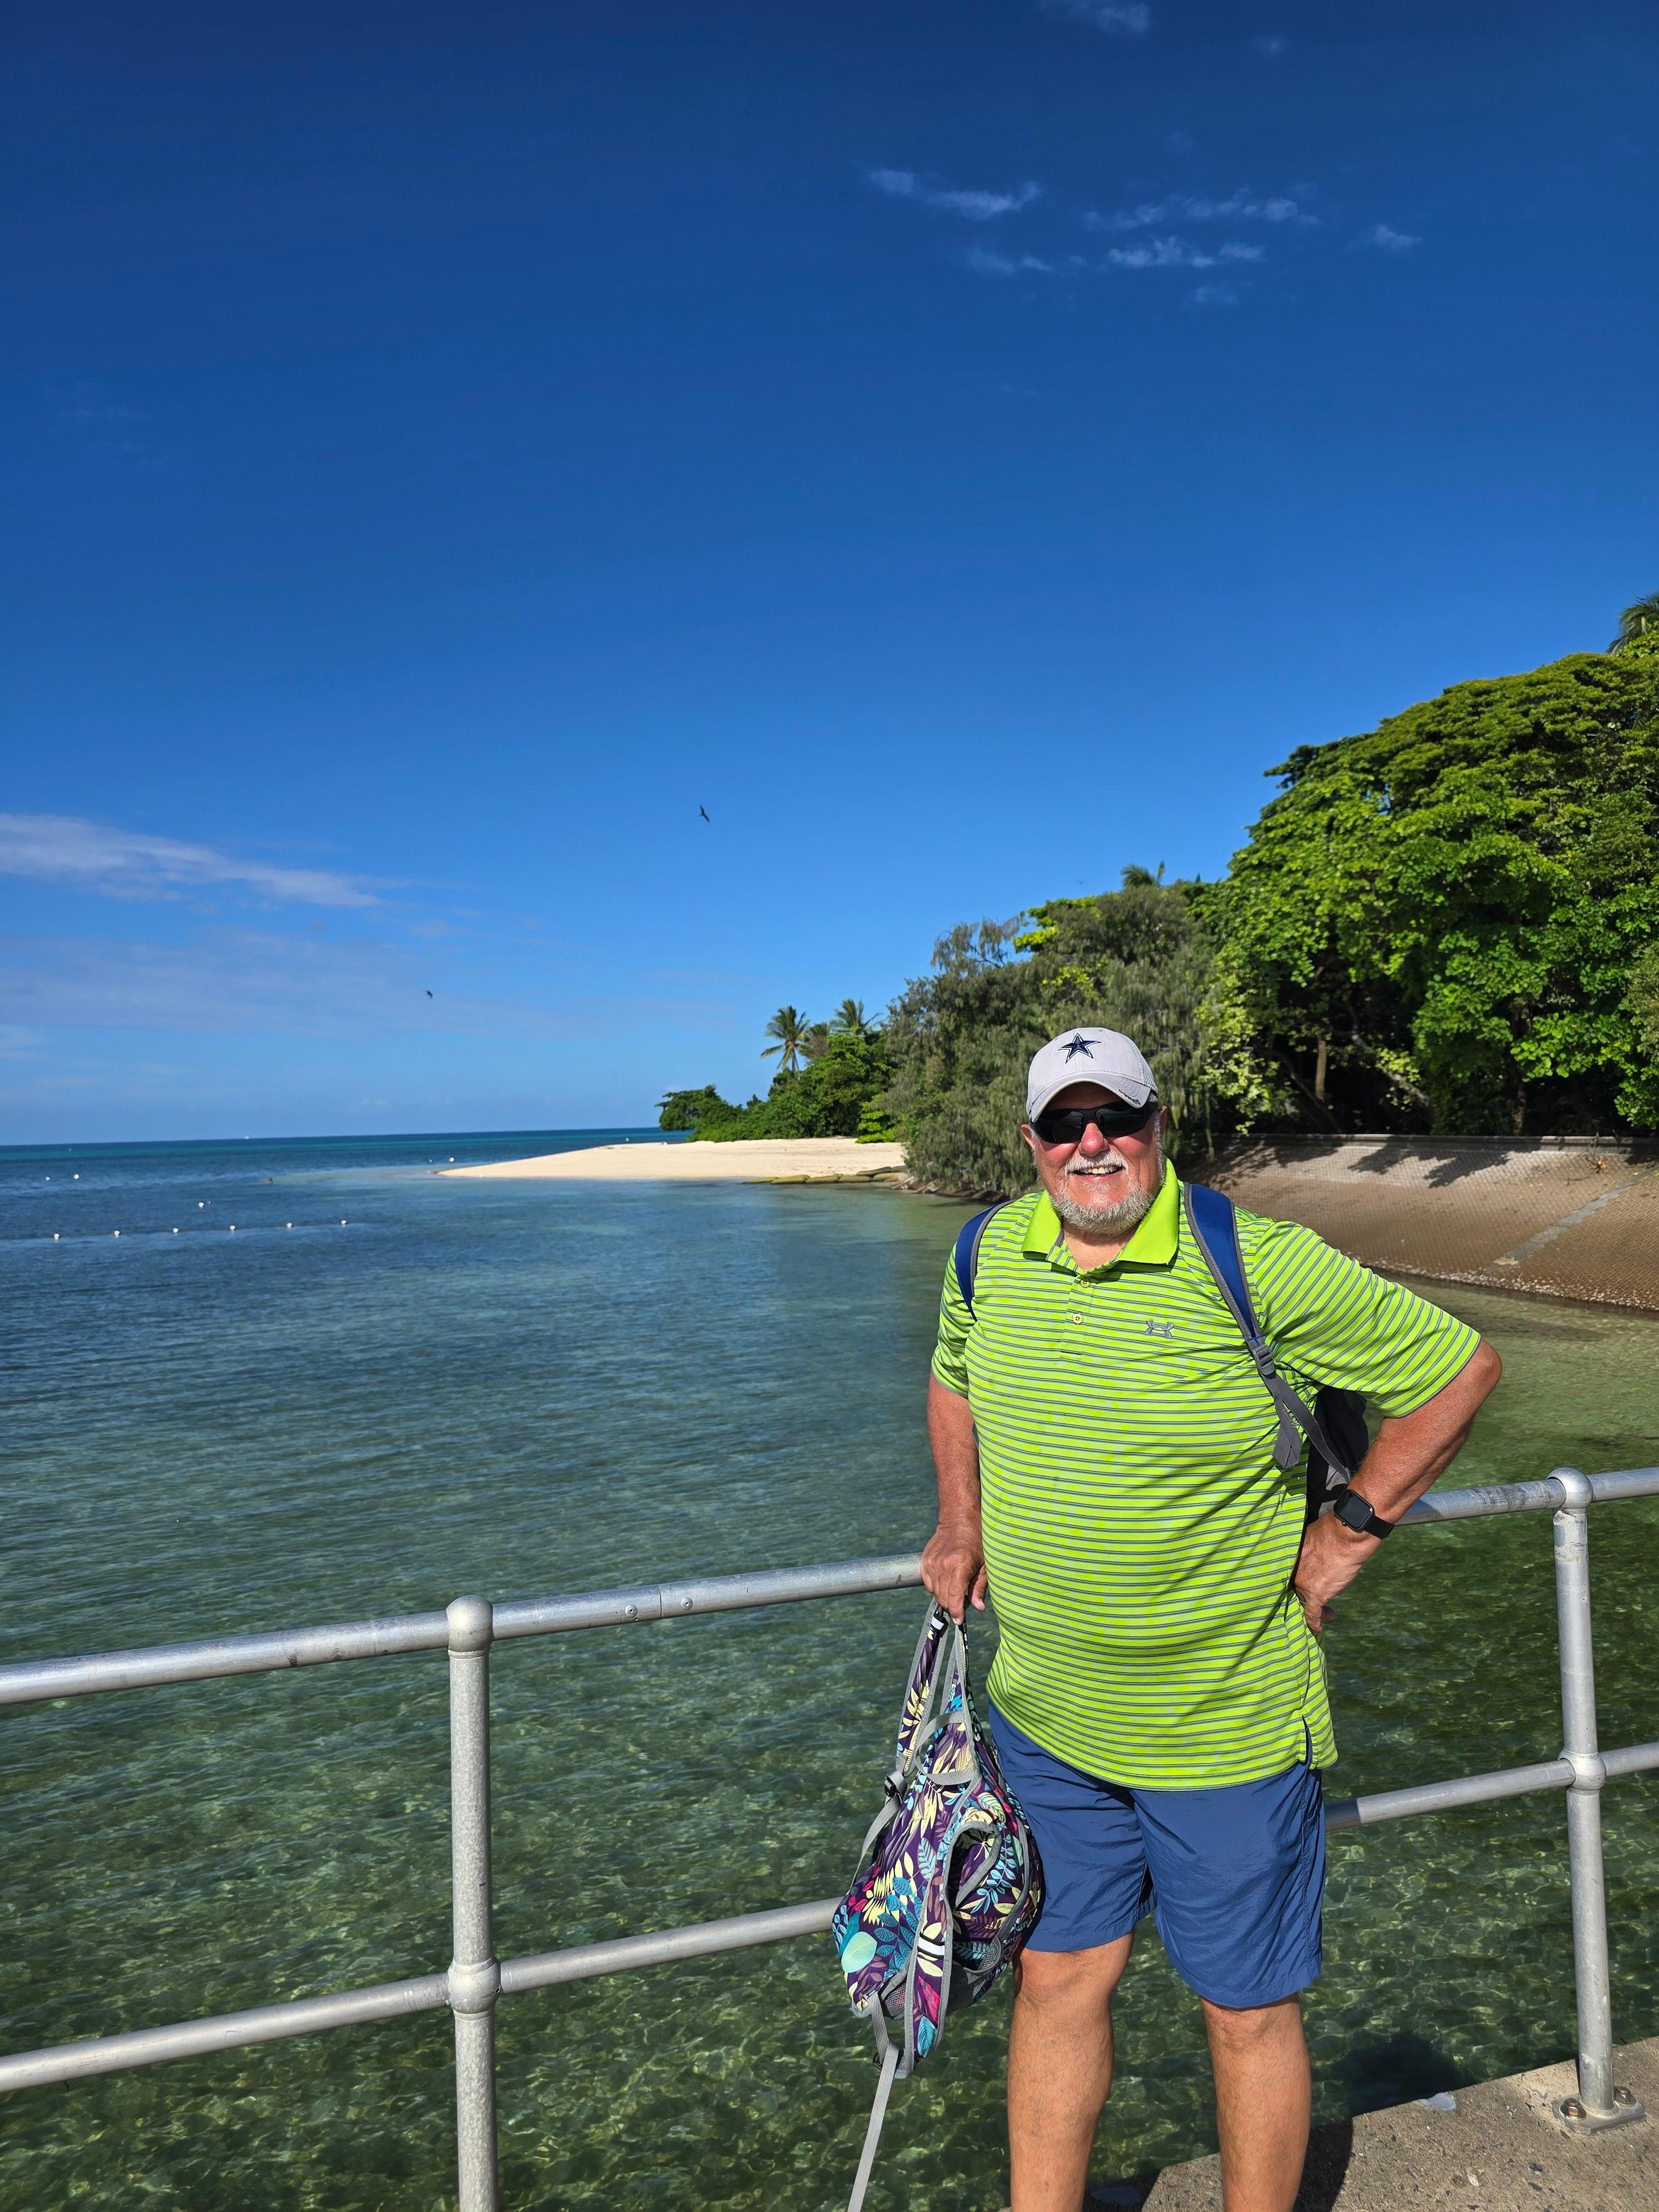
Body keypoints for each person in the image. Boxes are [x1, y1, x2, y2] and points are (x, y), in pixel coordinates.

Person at [922, 1026, 1501, 2212]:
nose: (1093, 1144)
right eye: (1065, 1123)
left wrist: (1351, 1530)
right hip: (1045, 1718)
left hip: (1224, 1723)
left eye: (1117, 1117)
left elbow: (1456, 1370)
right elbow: (953, 1376)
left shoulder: (1257, 1261)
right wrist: (958, 1519)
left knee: (1244, 2011)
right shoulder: (985, 1253)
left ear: (1158, 1125)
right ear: (1030, 1140)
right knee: (1055, 1984)